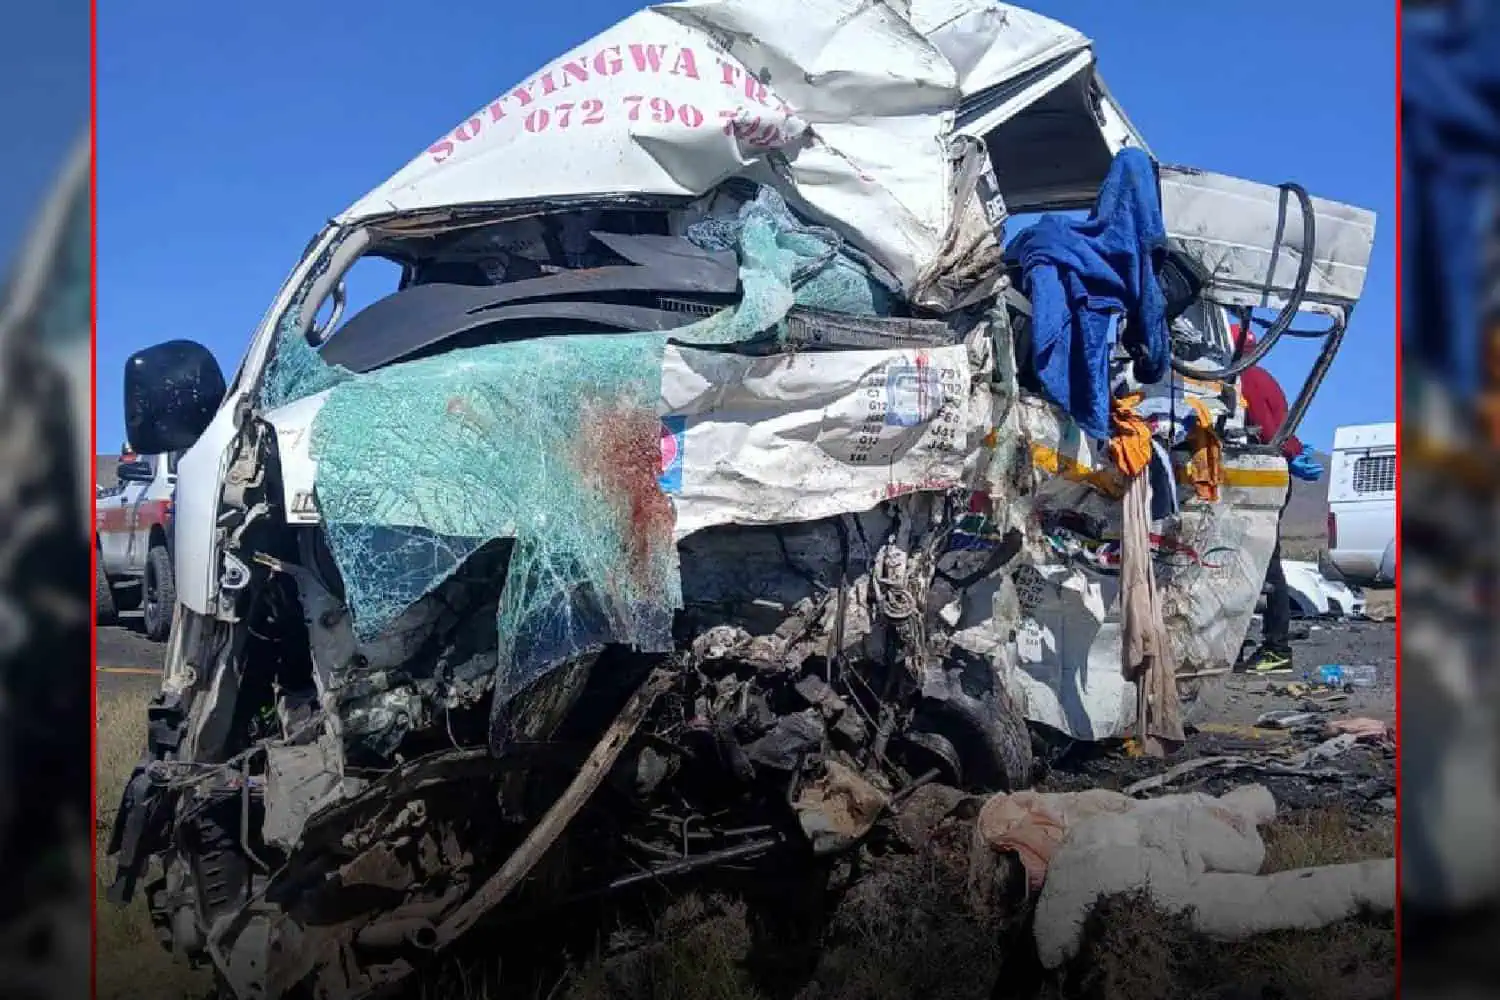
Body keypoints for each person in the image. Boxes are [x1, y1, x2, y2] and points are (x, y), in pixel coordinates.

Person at [1234, 325, 1323, 673]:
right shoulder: (1264, 377)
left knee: (1257, 562)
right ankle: (1252, 645)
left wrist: (1289, 451)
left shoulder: (1244, 380)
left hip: (1258, 477)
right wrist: (1294, 451)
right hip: (1270, 475)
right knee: (1256, 561)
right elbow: (1283, 427)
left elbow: (1270, 431)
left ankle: (1276, 647)